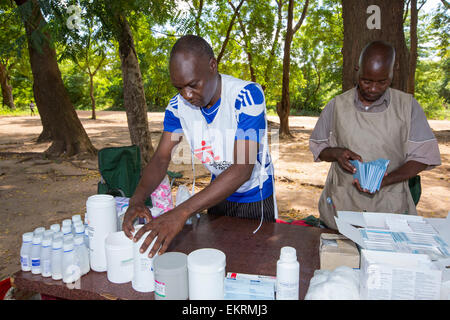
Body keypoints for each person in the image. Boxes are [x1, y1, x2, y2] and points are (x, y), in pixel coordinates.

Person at [123, 35, 277, 257]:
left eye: (193, 85)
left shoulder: (246, 96)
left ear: (212, 66)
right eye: (179, 88)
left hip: (254, 196)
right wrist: (136, 200)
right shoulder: (177, 107)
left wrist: (181, 212)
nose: (187, 95)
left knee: (252, 263)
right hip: (217, 195)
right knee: (217, 258)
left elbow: (242, 169)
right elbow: (161, 159)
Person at [309, 40, 441, 230]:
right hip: (343, 205)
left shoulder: (407, 107)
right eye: (366, 81)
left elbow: (423, 157)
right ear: (357, 70)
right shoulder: (337, 106)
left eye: (382, 82)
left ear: (392, 73)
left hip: (389, 207)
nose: (373, 88)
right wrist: (336, 153)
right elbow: (320, 149)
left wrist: (385, 180)